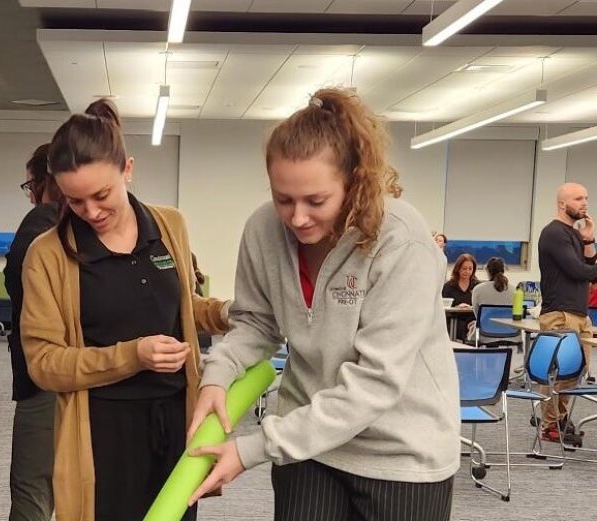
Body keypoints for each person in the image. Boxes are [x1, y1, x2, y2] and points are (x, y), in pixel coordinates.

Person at [187, 88, 459, 520]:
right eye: (283, 199)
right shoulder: (263, 230)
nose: (297, 218)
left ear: (353, 182)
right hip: (308, 449)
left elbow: (375, 382)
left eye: (316, 201)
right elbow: (256, 324)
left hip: (401, 454)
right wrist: (217, 376)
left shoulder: (401, 238)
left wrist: (254, 448)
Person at [20, 99, 230, 521]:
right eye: (75, 202)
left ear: (127, 169)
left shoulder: (170, 224)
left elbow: (181, 306)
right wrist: (131, 356)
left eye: (101, 195)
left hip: (175, 420)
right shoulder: (47, 254)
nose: (91, 212)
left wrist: (224, 313)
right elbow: (43, 363)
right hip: (102, 433)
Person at [4, 143, 64, 521]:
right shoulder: (92, 225)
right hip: (87, 376)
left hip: (44, 379)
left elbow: (19, 283)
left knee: (32, 489)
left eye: (31, 185)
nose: (30, 195)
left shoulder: (43, 220)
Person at [536, 182, 597, 442]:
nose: (584, 202)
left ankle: (558, 419)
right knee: (559, 372)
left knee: (576, 372)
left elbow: (588, 263)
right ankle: (549, 425)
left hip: (578, 313)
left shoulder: (572, 233)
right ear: (562, 204)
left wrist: (589, 238)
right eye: (577, 198)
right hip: (559, 313)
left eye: (585, 197)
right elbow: (577, 270)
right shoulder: (553, 233)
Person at [469, 257, 518, 343]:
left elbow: (478, 315)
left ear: (487, 271)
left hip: (485, 335)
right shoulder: (515, 290)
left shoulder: (478, 289)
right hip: (512, 334)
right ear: (503, 270)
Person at [442, 253, 479, 341]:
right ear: (458, 269)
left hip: (472, 318)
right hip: (454, 319)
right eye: (464, 269)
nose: (467, 272)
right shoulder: (448, 286)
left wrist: (470, 307)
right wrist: (456, 307)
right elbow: (443, 306)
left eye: (470, 269)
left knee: (474, 324)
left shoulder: (477, 286)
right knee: (459, 326)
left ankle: (472, 331)